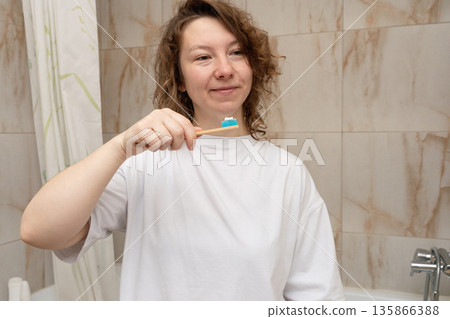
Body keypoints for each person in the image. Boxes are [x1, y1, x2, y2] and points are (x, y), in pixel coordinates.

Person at [21, 0, 344, 300]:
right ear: (178, 79)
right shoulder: (144, 163)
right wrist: (120, 146)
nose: (224, 69)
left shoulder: (287, 171)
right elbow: (39, 232)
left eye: (236, 53)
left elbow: (318, 297)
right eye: (203, 57)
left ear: (253, 67)